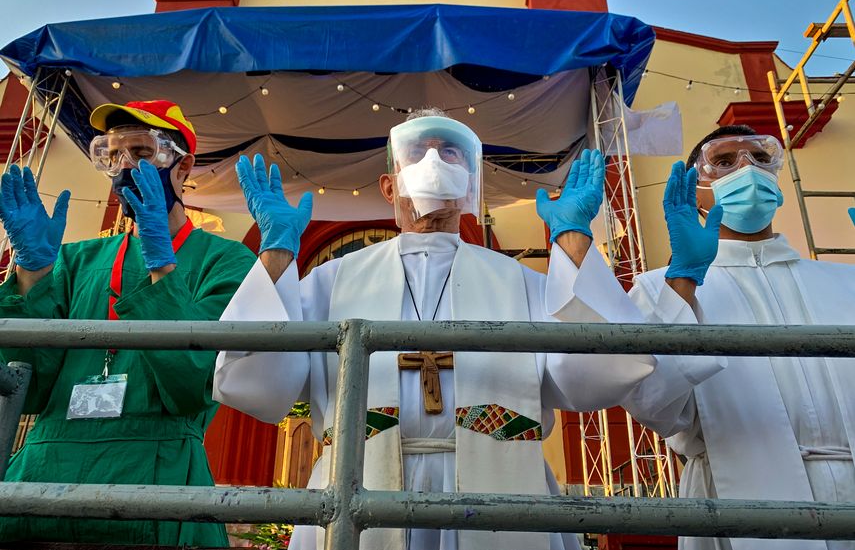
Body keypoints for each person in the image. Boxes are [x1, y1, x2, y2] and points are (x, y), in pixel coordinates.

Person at [214, 109, 657, 550]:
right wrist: (275, 254)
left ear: (468, 181)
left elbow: (595, 378)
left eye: (449, 151)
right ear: (389, 186)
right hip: (361, 480)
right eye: (418, 152)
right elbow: (259, 384)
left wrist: (574, 242)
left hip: (500, 484)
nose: (434, 161)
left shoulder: (521, 282)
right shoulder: (333, 281)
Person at [0, 100, 256, 545]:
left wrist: (161, 264)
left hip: (159, 478)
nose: (123, 166)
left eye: (140, 152)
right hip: (44, 476)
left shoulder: (227, 260)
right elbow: (29, 387)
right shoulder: (75, 259)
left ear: (181, 167)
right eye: (112, 153)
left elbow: (189, 388)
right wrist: (31, 274)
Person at [623, 124, 855, 550]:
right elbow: (654, 404)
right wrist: (684, 282)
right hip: (736, 489)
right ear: (695, 192)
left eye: (761, 158)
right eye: (725, 162)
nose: (747, 169)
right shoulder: (661, 287)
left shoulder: (847, 282)